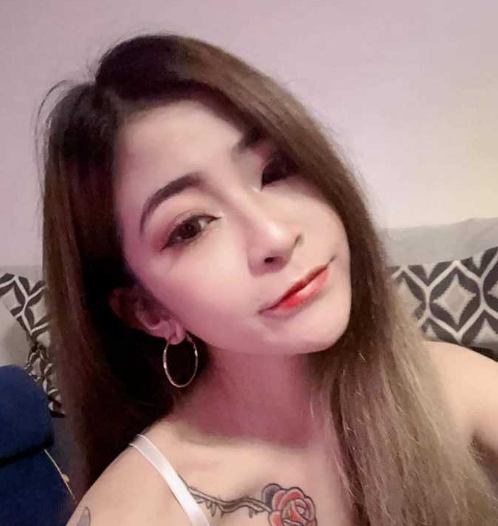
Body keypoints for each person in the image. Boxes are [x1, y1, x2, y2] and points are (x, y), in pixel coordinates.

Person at [38, 33, 498, 526]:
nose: (275, 235)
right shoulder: (137, 512)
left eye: (277, 170)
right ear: (149, 311)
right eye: (191, 227)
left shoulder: (446, 385)